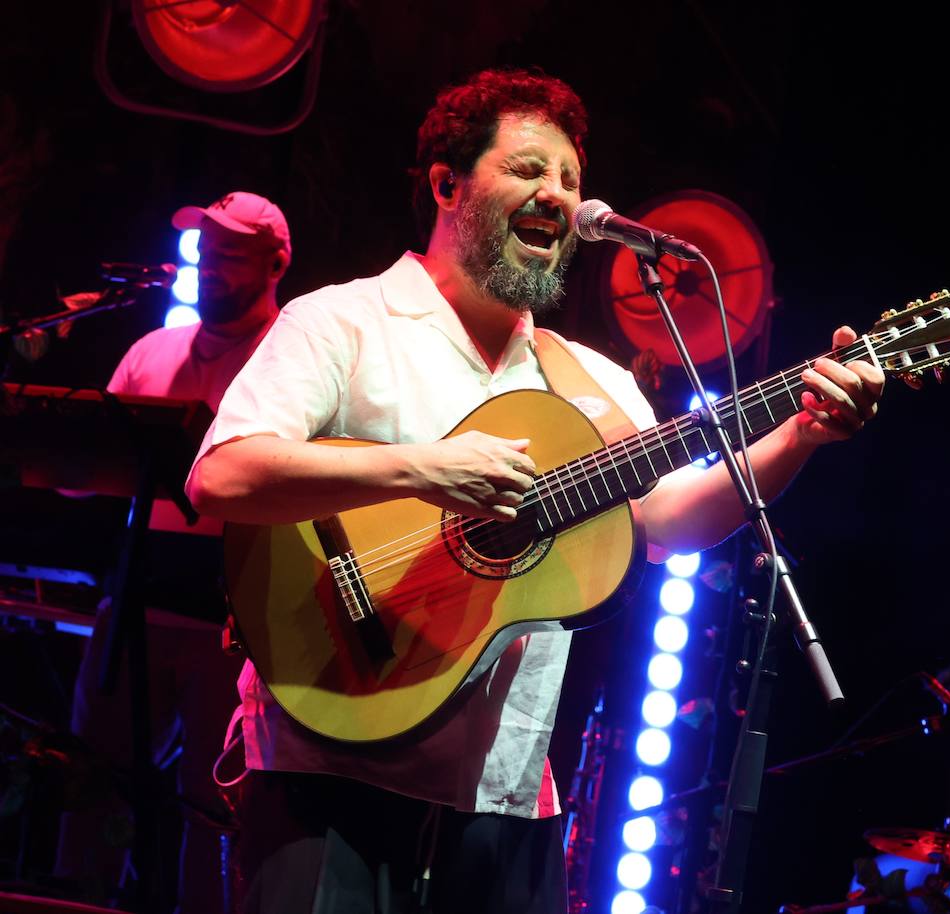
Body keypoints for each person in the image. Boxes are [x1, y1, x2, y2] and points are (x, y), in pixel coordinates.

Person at [186, 68, 884, 914]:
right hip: (325, 766)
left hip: (506, 797)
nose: (557, 195)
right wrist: (421, 469)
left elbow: (667, 522)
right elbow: (222, 475)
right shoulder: (342, 322)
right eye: (527, 171)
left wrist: (799, 434)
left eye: (571, 181)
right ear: (447, 185)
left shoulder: (588, 379)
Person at [54, 191, 291, 913]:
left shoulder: (294, 360)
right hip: (134, 600)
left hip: (236, 617)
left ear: (276, 263)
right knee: (88, 781)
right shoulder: (153, 350)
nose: (210, 266)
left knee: (213, 805)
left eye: (231, 255)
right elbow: (82, 475)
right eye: (207, 251)